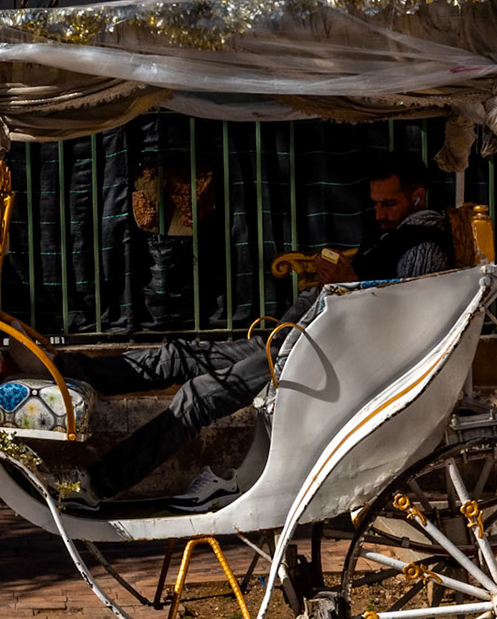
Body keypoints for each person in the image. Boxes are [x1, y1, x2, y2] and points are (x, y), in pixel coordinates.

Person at [58, 151, 455, 513]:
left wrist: (348, 282)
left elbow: (403, 317)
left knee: (199, 394)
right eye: (376, 204)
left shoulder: (423, 242)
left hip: (327, 363)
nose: (380, 213)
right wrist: (310, 303)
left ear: (417, 197)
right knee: (182, 356)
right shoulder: (390, 236)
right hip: (296, 342)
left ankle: (97, 483)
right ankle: (68, 370)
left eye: (390, 203)